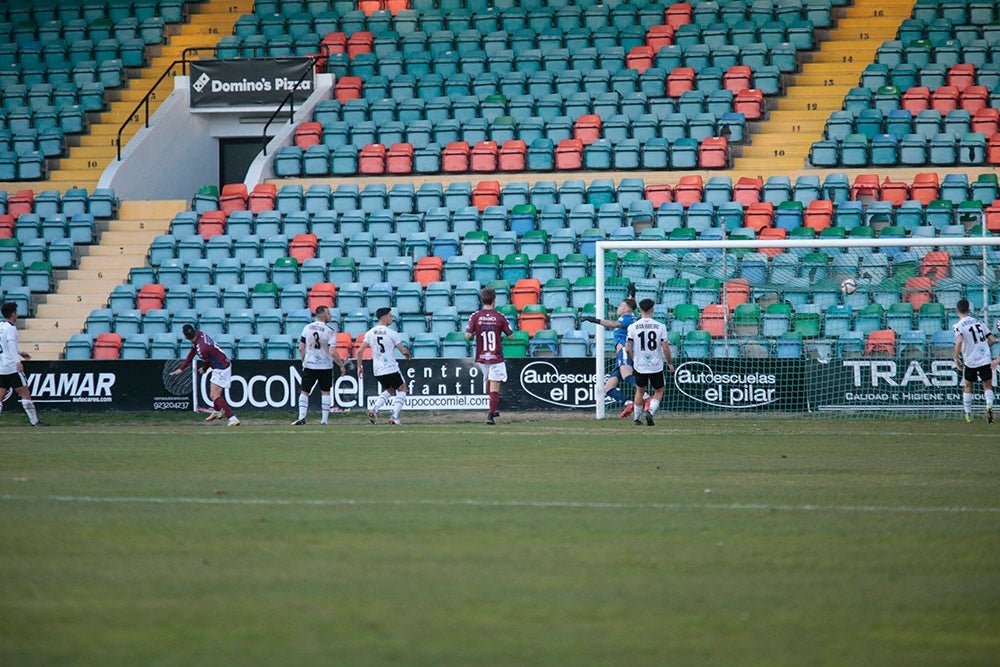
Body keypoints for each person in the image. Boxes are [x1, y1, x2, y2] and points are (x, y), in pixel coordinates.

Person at [583, 296, 643, 418]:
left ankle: (646, 396)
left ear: (627, 309)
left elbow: (613, 324)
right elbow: (631, 303)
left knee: (627, 376)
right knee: (608, 388)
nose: (618, 307)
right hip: (620, 355)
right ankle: (628, 403)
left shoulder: (627, 318)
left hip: (625, 351)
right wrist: (632, 294)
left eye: (621, 305)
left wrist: (596, 320)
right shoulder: (628, 316)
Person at [169, 323, 240, 426]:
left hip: (221, 368)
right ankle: (217, 412)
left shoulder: (202, 348)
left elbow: (207, 360)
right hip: (223, 363)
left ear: (185, 337)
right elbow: (193, 352)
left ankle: (232, 418)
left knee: (214, 395)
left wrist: (204, 368)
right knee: (216, 394)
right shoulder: (199, 335)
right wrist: (182, 368)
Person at [465, 286, 513, 425]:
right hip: (496, 357)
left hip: (481, 357)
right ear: (494, 300)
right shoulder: (500, 317)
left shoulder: (475, 316)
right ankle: (491, 415)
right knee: (494, 386)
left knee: (489, 382)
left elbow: (467, 335)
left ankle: (492, 409)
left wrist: (477, 332)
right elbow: (511, 336)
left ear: (482, 299)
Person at [356, 307, 411, 425]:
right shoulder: (392, 333)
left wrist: (359, 367)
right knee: (402, 388)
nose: (392, 318)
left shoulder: (370, 333)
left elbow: (360, 351)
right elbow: (403, 351)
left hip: (377, 369)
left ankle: (374, 409)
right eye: (390, 316)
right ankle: (394, 416)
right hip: (390, 367)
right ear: (384, 317)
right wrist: (408, 355)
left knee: (389, 389)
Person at [292, 305, 346, 426]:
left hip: (310, 365)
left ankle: (301, 417)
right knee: (325, 391)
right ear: (322, 315)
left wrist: (303, 360)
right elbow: (332, 351)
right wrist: (341, 365)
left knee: (305, 391)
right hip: (325, 366)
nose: (330, 315)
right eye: (328, 313)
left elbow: (301, 347)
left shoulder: (307, 328)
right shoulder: (330, 330)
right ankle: (324, 420)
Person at [625, 298, 674, 427]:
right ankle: (650, 412)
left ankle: (636, 419)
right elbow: (665, 347)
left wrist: (635, 359)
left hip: (640, 365)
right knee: (658, 390)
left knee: (640, 391)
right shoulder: (660, 326)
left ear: (640, 310)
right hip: (655, 365)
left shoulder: (633, 327)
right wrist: (670, 363)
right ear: (653, 309)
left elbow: (628, 348)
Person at [0, 302, 47, 426]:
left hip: (1, 367)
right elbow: (10, 344)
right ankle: (35, 421)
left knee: (0, 395)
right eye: (16, 312)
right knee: (25, 392)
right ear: (13, 313)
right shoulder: (11, 328)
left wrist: (20, 352)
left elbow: (5, 346)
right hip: (11, 366)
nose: (17, 314)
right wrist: (17, 361)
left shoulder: (0, 326)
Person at [953, 298, 996, 423]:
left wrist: (956, 357)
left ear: (957, 311)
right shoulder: (979, 322)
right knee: (987, 385)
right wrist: (984, 349)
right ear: (969, 310)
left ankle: (968, 413)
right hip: (984, 358)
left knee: (968, 386)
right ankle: (988, 405)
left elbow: (959, 340)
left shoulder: (958, 326)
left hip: (970, 360)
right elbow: (992, 339)